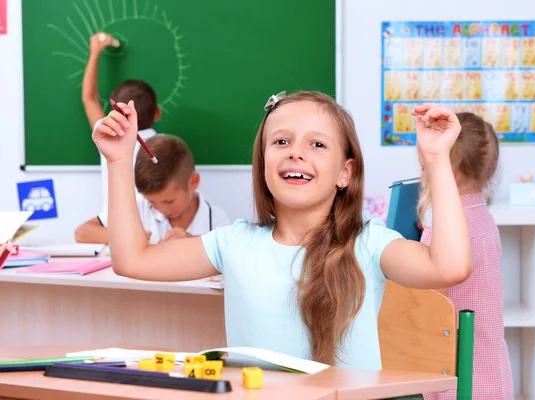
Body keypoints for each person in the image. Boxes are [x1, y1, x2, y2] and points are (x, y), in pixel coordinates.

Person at [91, 91, 472, 368]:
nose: (296, 152)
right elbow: (131, 260)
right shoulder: (235, 242)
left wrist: (437, 161)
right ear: (263, 162)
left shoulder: (369, 244)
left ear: (345, 173)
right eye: (281, 141)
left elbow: (449, 267)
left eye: (318, 144)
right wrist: (120, 160)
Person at [417, 112, 514, 399]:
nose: (422, 177)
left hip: (458, 377)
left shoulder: (441, 232)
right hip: (491, 369)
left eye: (424, 169)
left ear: (450, 172)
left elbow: (429, 307)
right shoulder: (483, 218)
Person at [75, 134, 230, 244]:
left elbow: (228, 263)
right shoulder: (139, 207)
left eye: (169, 201)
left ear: (193, 182)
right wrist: (127, 236)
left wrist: (194, 245)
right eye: (152, 202)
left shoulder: (216, 221)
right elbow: (82, 232)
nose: (161, 209)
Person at [82, 31, 161, 211]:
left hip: (113, 229)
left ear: (115, 113)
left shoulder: (108, 137)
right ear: (157, 113)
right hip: (155, 230)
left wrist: (95, 52)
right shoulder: (166, 146)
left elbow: (89, 98)